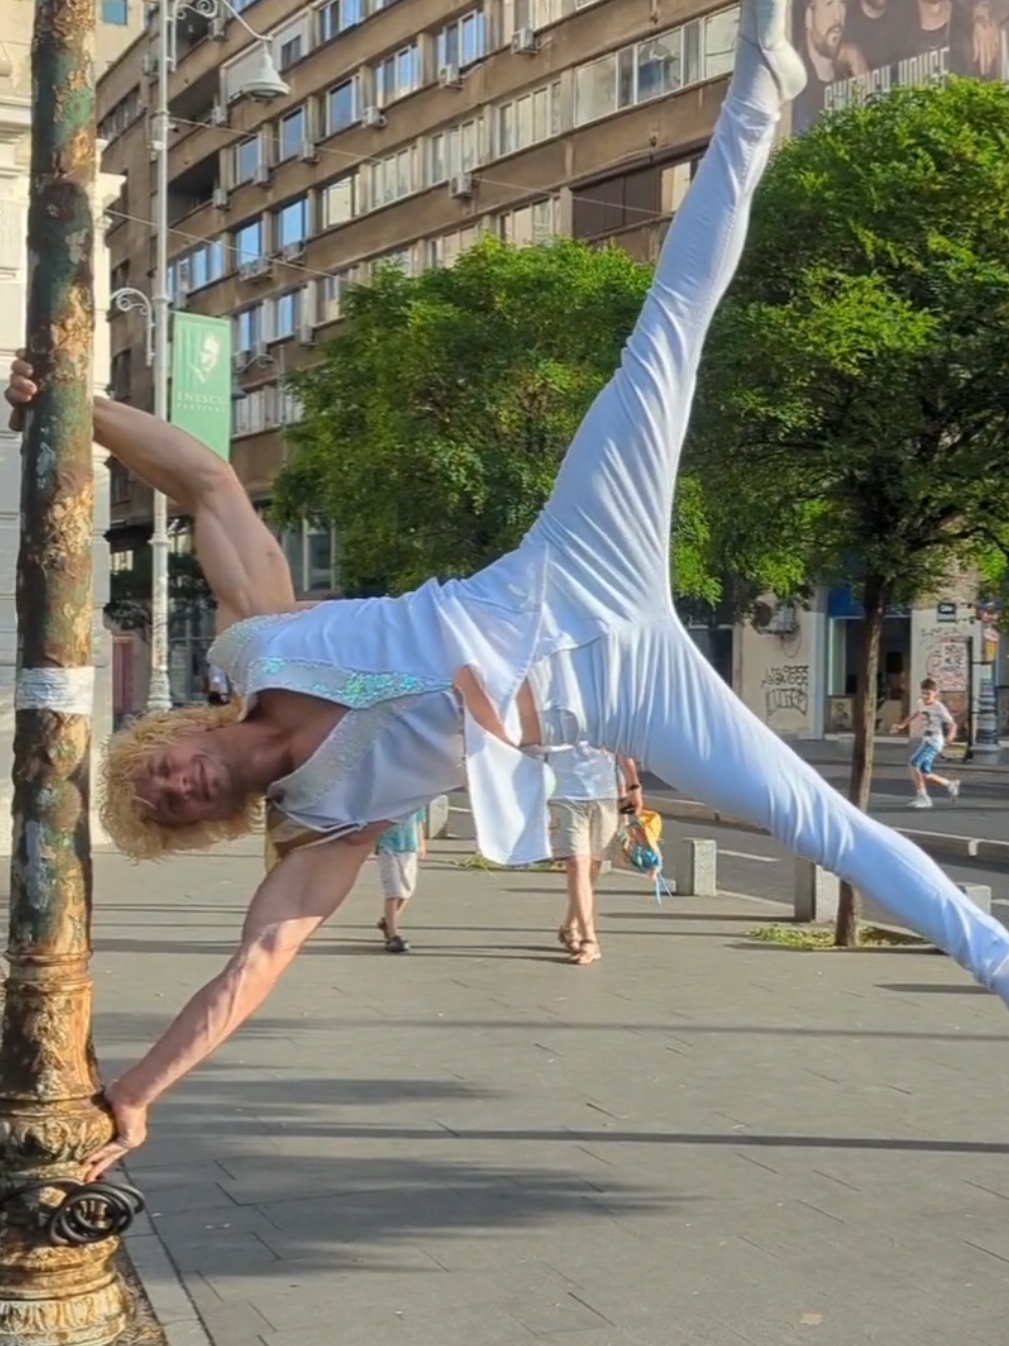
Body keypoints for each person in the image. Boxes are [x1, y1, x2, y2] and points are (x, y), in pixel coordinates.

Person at [10, 0, 1009, 1182]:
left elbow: (213, 482)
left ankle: (760, 79)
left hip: (573, 561)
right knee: (817, 820)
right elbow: (254, 968)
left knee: (663, 338)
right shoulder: (325, 830)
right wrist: (135, 1088)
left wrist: (78, 412)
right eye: (173, 805)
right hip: (615, 693)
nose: (176, 782)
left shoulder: (256, 646)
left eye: (160, 767)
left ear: (178, 735)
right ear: (208, 821)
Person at [548, 746, 640, 966]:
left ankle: (571, 924)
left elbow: (622, 748)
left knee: (592, 868)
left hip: (604, 796)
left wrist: (633, 786)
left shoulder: (608, 712)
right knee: (577, 863)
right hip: (564, 794)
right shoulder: (548, 710)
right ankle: (589, 940)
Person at [891, 677, 961, 809]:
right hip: (926, 740)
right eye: (923, 693)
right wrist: (902, 725)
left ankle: (923, 797)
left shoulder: (939, 707)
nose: (925, 696)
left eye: (928, 693)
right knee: (925, 772)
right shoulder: (921, 702)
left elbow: (952, 724)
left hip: (935, 741)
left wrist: (950, 737)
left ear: (935, 693)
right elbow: (915, 714)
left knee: (914, 763)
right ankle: (950, 784)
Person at [374, 808, 426, 953]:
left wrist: (421, 843)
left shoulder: (418, 798)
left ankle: (388, 921)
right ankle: (393, 936)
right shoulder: (388, 798)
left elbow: (419, 821)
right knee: (393, 891)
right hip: (388, 846)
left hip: (409, 847)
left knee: (406, 892)